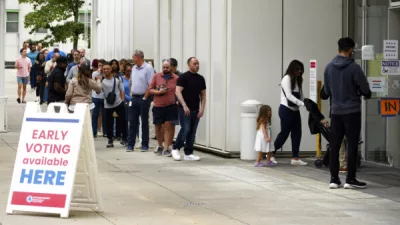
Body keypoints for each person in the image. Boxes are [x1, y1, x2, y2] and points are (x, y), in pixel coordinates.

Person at [324, 37, 371, 189]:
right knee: (352, 145)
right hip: (352, 112)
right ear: (350, 50)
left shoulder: (329, 67)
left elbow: (326, 91)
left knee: (335, 145)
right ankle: (350, 179)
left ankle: (333, 179)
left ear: (338, 49)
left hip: (336, 112)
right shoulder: (354, 68)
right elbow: (365, 90)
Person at [171, 57, 206, 161]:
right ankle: (175, 148)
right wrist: (184, 105)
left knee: (192, 131)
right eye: (195, 63)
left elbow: (203, 95)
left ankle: (188, 153)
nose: (197, 65)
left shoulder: (201, 78)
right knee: (185, 129)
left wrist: (202, 109)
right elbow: (178, 91)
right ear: (189, 65)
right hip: (184, 109)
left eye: (198, 63)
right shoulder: (183, 77)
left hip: (196, 109)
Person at [273, 60, 307, 166]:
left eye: (301, 69)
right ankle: (271, 153)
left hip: (295, 110)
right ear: (292, 69)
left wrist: (306, 102)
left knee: (297, 133)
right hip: (285, 109)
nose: (300, 71)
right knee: (284, 133)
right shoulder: (286, 78)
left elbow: (301, 95)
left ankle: (295, 157)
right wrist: (301, 103)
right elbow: (288, 95)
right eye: (297, 69)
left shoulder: (298, 80)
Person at [148, 60, 179, 156]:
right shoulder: (156, 76)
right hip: (158, 106)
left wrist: (178, 100)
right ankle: (159, 145)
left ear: (171, 68)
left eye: (167, 67)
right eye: (164, 67)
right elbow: (150, 89)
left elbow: (179, 90)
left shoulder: (176, 78)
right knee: (158, 126)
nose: (165, 69)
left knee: (168, 126)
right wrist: (159, 92)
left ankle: (166, 148)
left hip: (171, 106)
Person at [126, 50, 155, 152]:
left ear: (138, 57)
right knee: (132, 122)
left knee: (144, 122)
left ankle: (145, 144)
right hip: (134, 97)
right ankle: (130, 144)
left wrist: (145, 97)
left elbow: (151, 84)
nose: (133, 59)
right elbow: (131, 82)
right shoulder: (134, 68)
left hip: (143, 97)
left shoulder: (148, 68)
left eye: (133, 57)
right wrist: (131, 93)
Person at [102, 62, 126, 148]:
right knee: (109, 123)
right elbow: (98, 90)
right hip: (107, 104)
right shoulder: (101, 80)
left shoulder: (117, 79)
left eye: (107, 69)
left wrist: (122, 101)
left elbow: (122, 90)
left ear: (111, 69)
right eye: (104, 69)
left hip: (118, 103)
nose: (106, 70)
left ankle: (124, 138)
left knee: (123, 121)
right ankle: (110, 139)